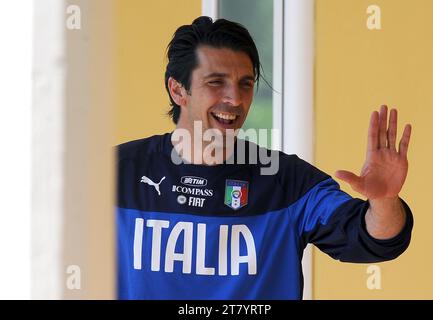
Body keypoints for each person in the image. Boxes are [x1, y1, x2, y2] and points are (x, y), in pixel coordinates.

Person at [116, 16, 413, 300]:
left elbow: (373, 240)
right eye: (216, 82)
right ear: (178, 90)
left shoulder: (288, 182)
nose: (235, 98)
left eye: (245, 83)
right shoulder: (114, 174)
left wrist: (384, 199)